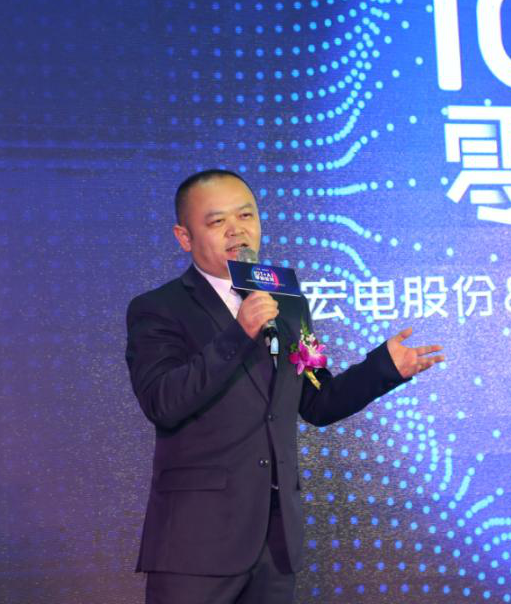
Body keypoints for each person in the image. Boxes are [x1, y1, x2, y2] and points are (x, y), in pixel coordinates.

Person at [125, 169, 444, 604]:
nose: (237, 230)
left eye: (246, 216)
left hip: (275, 541)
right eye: (217, 221)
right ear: (185, 237)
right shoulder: (159, 308)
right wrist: (238, 334)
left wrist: (382, 369)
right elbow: (163, 402)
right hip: (195, 543)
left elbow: (317, 400)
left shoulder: (288, 303)